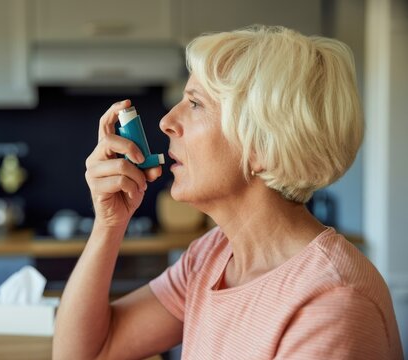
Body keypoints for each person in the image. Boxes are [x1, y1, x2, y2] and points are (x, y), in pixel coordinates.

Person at [53, 25, 403, 359]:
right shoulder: (213, 256)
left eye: (195, 104)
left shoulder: (331, 304)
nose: (166, 122)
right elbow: (87, 351)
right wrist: (109, 224)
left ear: (262, 148)